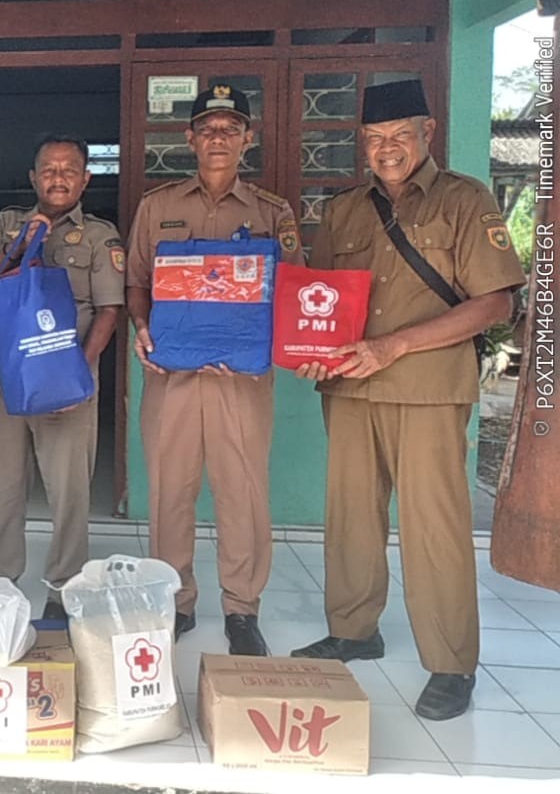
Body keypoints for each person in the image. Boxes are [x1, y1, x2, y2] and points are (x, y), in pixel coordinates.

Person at [291, 79, 525, 720]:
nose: (387, 149)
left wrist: (393, 346)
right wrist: (310, 350)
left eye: (399, 135)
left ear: (427, 132)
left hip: (427, 389)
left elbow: (496, 303)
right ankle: (353, 631)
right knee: (350, 517)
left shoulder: (463, 200)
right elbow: (319, 303)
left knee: (434, 528)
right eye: (374, 138)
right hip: (351, 385)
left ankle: (451, 664)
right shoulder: (344, 210)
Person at [125, 85, 302, 657]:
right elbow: (137, 281)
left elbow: (292, 290)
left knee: (242, 491)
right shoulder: (158, 206)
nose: (218, 137)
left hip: (241, 380)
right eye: (208, 128)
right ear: (190, 138)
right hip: (171, 377)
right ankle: (174, 600)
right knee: (169, 490)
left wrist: (264, 344)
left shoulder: (273, 212)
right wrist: (141, 326)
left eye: (230, 128)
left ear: (248, 138)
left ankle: (241, 608)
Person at [0, 135, 123, 617]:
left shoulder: (100, 235)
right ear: (33, 177)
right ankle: (1, 579)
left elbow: (109, 310)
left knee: (69, 491)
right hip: (8, 380)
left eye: (69, 170)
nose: (58, 178)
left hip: (68, 384)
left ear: (85, 179)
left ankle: (63, 589)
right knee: (2, 487)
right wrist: (18, 247)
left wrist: (79, 373)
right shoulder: (7, 223)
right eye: (49, 170)